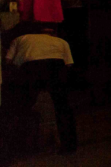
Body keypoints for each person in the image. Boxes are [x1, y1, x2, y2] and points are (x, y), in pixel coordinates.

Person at [5, 24, 77, 153]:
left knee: (22, 106)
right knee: (63, 107)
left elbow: (8, 61)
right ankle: (69, 145)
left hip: (30, 66)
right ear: (53, 33)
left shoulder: (21, 38)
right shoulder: (61, 41)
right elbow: (69, 64)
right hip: (55, 65)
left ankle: (19, 145)